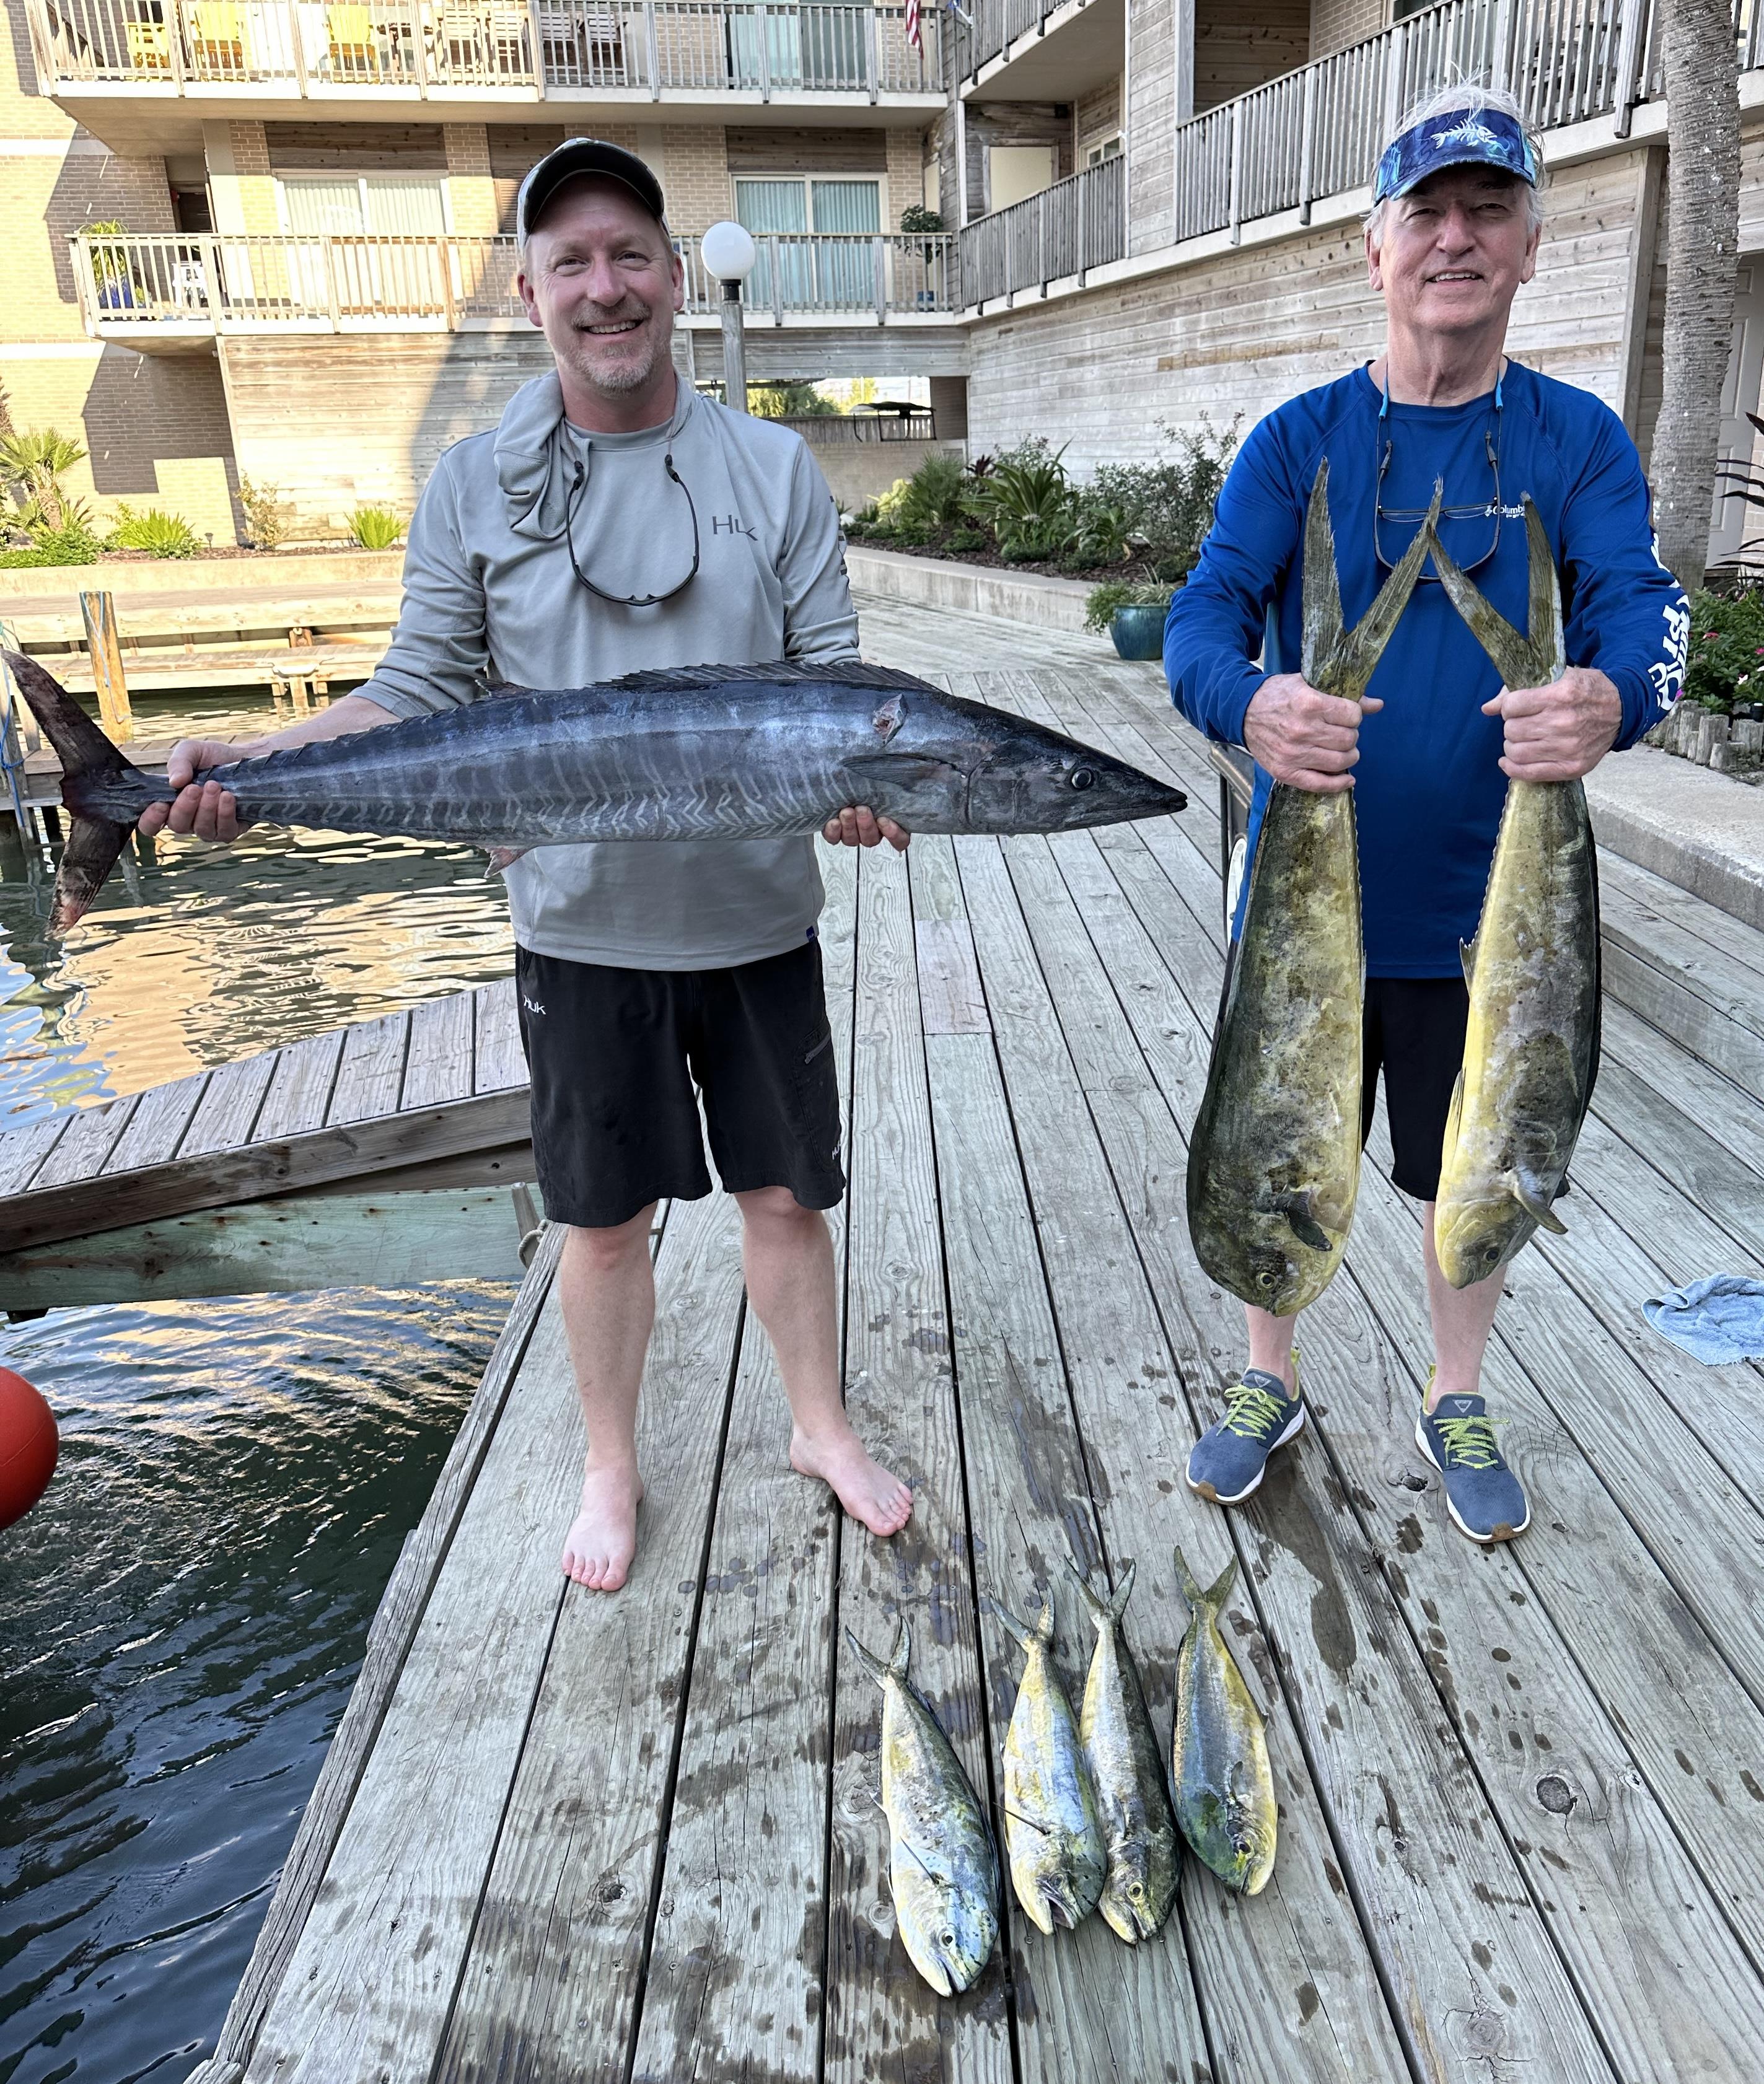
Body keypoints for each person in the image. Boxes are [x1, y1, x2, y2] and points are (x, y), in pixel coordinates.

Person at [139, 139, 914, 1591]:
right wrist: (247, 762)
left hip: (756, 921)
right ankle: (609, 1466)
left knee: (787, 1199)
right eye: (573, 263)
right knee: (601, 1229)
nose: (605, 288)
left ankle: (818, 1424)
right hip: (578, 931)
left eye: (630, 255)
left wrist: (859, 787)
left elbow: (832, 680)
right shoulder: (475, 484)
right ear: (529, 293)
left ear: (674, 279)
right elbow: (416, 686)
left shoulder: (773, 464)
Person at [1164, 85, 1689, 1544]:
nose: (1453, 239)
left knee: (1474, 1153)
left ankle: (1453, 1388)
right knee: (1279, 1133)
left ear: (1529, 243)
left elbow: (1645, 610)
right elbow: (1203, 614)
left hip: (1491, 912)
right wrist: (1243, 704)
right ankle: (1268, 1378)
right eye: (1425, 214)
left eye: (1485, 212)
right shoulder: (1296, 439)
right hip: (1302, 895)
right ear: (1372, 248)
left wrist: (1614, 698)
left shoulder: (1575, 441)